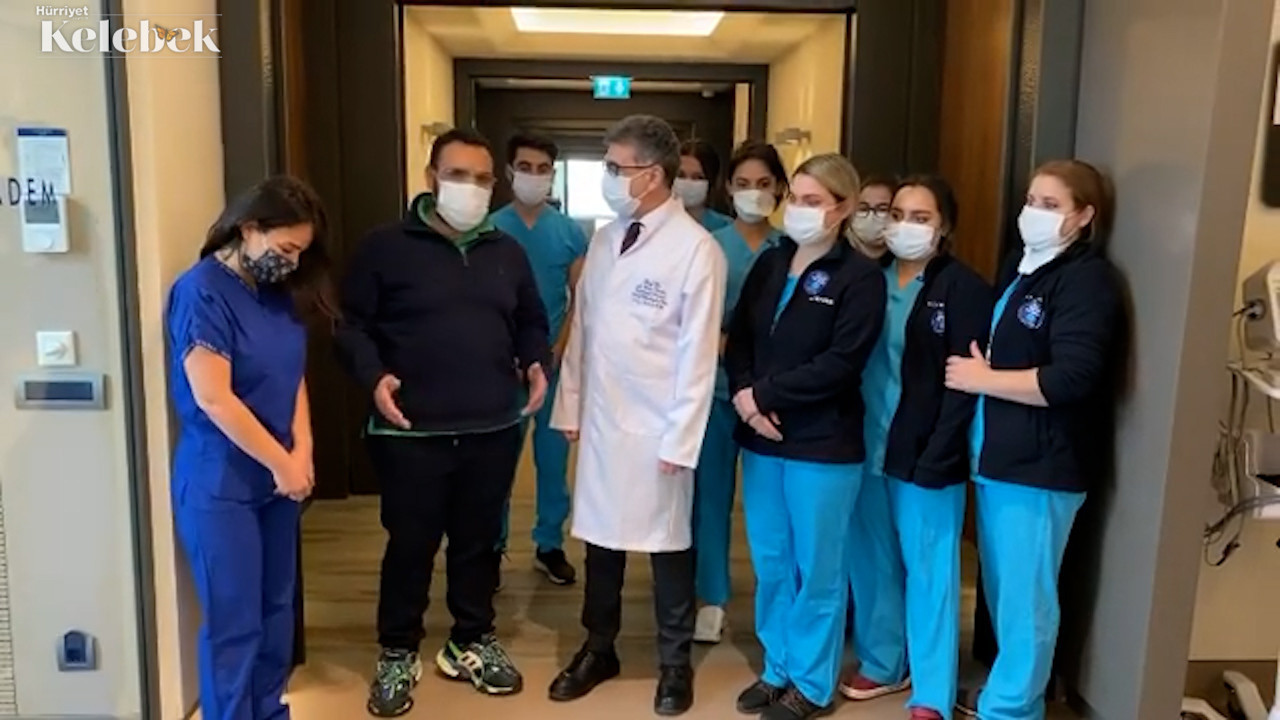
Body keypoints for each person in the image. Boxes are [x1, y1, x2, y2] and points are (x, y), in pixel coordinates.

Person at [335, 128, 551, 717]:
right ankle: (398, 649)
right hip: (411, 430)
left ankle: (470, 640)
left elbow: (530, 320)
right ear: (431, 178)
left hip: (492, 426)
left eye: (482, 178)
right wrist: (374, 376)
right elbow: (350, 326)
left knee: (479, 543)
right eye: (458, 175)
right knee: (411, 544)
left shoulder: (506, 251)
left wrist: (536, 361)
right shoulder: (385, 247)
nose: (470, 188)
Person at [547, 114, 727, 717]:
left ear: (651, 175)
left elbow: (698, 356)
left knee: (668, 545)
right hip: (604, 423)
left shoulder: (695, 249)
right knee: (601, 542)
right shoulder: (604, 240)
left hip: (658, 428)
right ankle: (599, 647)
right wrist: (570, 404)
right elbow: (584, 331)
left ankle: (674, 662)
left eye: (615, 167)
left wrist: (681, 439)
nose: (609, 177)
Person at [945, 160, 1122, 720]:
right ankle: (1007, 693)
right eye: (1031, 201)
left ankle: (1013, 709)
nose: (1034, 213)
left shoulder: (1086, 281)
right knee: (1005, 593)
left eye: (1051, 205)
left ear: (1084, 215)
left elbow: (1071, 378)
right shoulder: (1023, 268)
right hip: (999, 457)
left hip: (1041, 465)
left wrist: (984, 379)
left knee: (1026, 599)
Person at [725, 153, 886, 720]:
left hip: (823, 443)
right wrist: (746, 400)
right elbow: (740, 339)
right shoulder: (772, 263)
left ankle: (812, 685)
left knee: (817, 567)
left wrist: (764, 396)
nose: (798, 209)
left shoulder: (860, 278)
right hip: (762, 440)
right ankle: (778, 667)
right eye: (795, 198)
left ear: (842, 209)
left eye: (813, 201)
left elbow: (841, 362)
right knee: (772, 560)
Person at [166, 175, 334, 720]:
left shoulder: (277, 294)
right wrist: (282, 462)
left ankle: (269, 711)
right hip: (222, 482)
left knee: (276, 610)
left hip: (278, 479)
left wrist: (302, 451)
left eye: (300, 252)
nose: (291, 261)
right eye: (285, 248)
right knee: (235, 622)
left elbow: (292, 375)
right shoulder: (200, 292)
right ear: (248, 228)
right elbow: (214, 398)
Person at [839, 176, 993, 720]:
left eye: (921, 217)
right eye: (898, 214)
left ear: (944, 226)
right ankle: (883, 661)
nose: (904, 226)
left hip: (926, 452)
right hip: (864, 445)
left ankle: (931, 691)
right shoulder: (869, 280)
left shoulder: (963, 288)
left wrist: (943, 449)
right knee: (871, 560)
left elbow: (965, 382)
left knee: (930, 572)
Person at [693, 140, 788, 645]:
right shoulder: (709, 245)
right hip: (716, 392)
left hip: (774, 398)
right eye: (744, 183)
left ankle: (781, 602)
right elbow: (692, 319)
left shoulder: (791, 249)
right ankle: (711, 598)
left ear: (781, 189)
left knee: (772, 506)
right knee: (710, 499)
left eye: (765, 184)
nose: (754, 193)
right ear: (728, 188)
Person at [490, 132, 588, 587]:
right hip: (500, 368)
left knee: (553, 462)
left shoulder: (568, 233)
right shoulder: (490, 228)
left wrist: (557, 349)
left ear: (553, 174)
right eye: (525, 167)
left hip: (552, 363)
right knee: (498, 463)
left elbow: (580, 299)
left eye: (542, 169)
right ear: (510, 172)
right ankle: (492, 546)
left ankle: (549, 544)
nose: (534, 176)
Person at [676, 138, 733, 232]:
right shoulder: (655, 224)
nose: (688, 182)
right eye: (681, 175)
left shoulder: (726, 227)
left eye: (698, 177)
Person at [850, 175, 896, 259]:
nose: (871, 216)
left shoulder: (902, 256)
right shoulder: (834, 251)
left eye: (882, 209)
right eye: (863, 209)